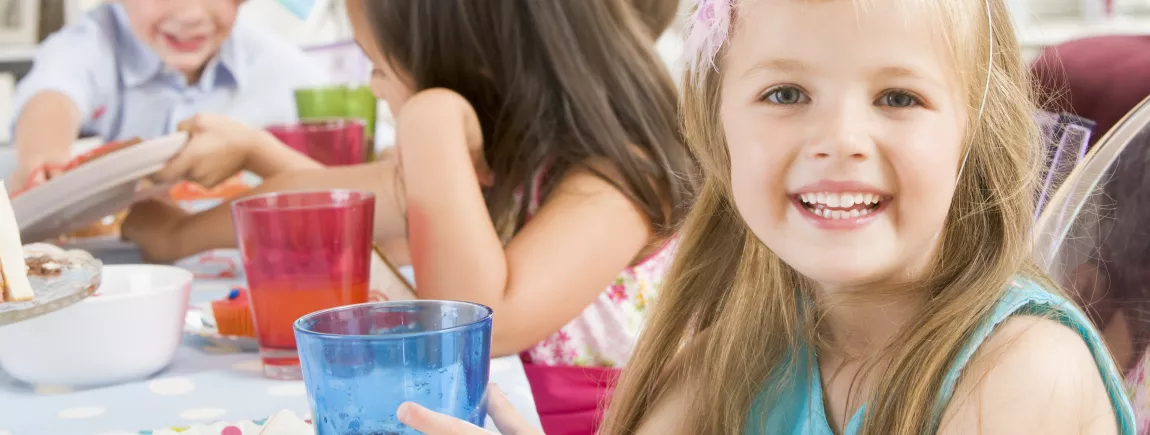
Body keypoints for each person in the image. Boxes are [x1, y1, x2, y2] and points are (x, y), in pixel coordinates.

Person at [395, 0, 1138, 433]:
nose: (840, 140)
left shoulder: (1023, 375)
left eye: (898, 97)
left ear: (970, 133)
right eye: (785, 94)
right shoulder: (735, 360)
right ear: (718, 130)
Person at [121, 0, 692, 433]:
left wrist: (430, 118)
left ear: (473, 63)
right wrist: (174, 234)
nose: (372, 85)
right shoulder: (504, 159)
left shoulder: (623, 180)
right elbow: (325, 203)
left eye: (377, 64)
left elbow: (476, 325)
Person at [7, 0, 323, 191]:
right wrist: (44, 163)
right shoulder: (92, 45)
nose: (191, 15)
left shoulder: (289, 71)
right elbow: (52, 96)